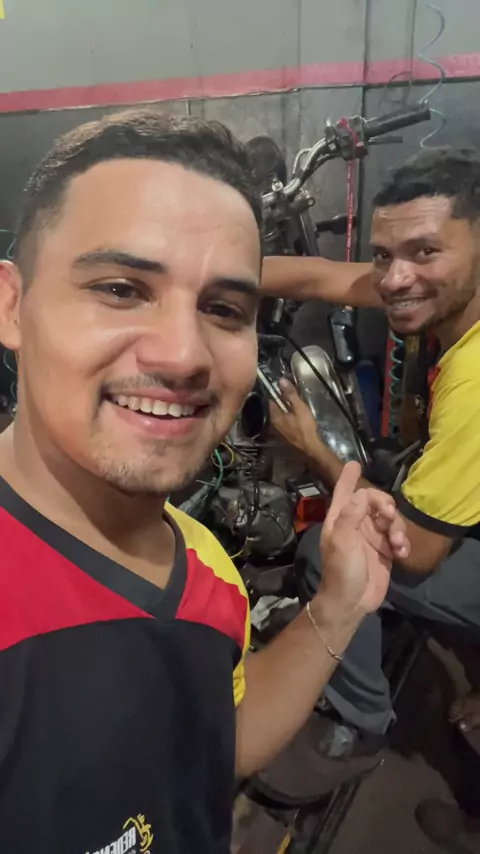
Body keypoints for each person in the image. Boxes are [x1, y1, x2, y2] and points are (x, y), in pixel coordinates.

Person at [0, 108, 409, 853]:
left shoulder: (207, 568)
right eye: (121, 289)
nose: (185, 355)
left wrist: (340, 604)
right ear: (11, 306)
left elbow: (213, 748)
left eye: (223, 308)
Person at [260, 149, 480, 824]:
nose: (395, 278)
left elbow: (414, 547)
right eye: (384, 256)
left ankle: (358, 725)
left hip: (433, 540)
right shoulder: (442, 294)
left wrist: (314, 451)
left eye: (424, 251)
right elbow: (321, 276)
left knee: (330, 551)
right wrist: (196, 265)